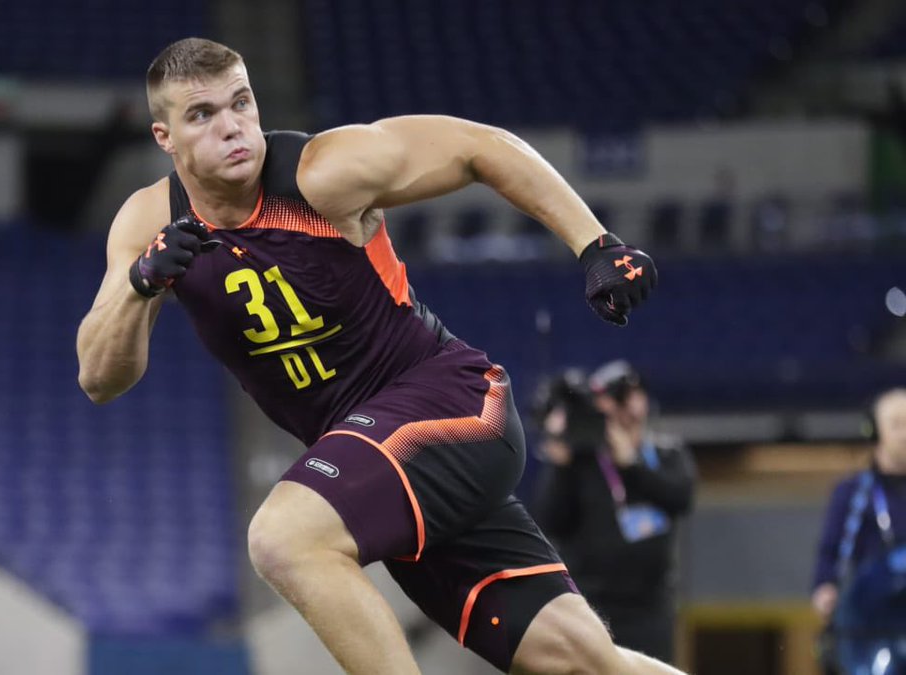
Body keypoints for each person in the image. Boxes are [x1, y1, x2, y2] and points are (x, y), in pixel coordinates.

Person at [76, 37, 680, 674]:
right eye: (202, 115)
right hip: (381, 459)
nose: (233, 128)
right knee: (585, 662)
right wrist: (142, 285)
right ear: (164, 137)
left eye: (242, 103)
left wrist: (595, 244)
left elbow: (478, 146)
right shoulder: (148, 222)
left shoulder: (322, 172)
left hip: (453, 406)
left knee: (285, 538)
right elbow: (99, 377)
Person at [532, 361, 696, 663]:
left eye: (632, 397)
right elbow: (551, 519)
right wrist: (561, 460)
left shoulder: (664, 455)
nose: (625, 411)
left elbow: (681, 497)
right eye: (616, 399)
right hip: (592, 608)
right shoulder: (581, 465)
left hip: (650, 607)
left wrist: (632, 465)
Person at [812, 388, 906, 673]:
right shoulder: (852, 494)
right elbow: (830, 551)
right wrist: (824, 586)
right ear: (874, 432)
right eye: (897, 424)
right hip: (870, 626)